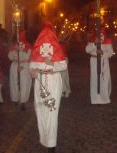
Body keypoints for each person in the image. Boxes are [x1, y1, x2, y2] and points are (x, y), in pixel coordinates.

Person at [29, 21, 67, 153]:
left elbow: (63, 65)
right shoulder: (37, 48)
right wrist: (32, 71)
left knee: (52, 110)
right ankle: (44, 138)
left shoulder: (56, 47)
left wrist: (52, 64)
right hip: (40, 81)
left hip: (53, 80)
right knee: (40, 109)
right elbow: (32, 65)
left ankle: (51, 143)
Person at [85, 28, 114, 104]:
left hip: (103, 61)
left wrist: (102, 53)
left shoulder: (107, 40)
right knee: (95, 79)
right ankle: (95, 99)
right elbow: (87, 50)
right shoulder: (92, 39)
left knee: (104, 79)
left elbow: (110, 53)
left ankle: (104, 98)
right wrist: (94, 44)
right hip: (94, 61)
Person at [8, 30, 32, 110]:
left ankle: (23, 101)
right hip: (15, 65)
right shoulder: (14, 45)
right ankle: (15, 98)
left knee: (24, 84)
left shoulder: (28, 45)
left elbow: (29, 57)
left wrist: (23, 65)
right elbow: (10, 56)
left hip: (24, 65)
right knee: (15, 83)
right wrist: (15, 50)